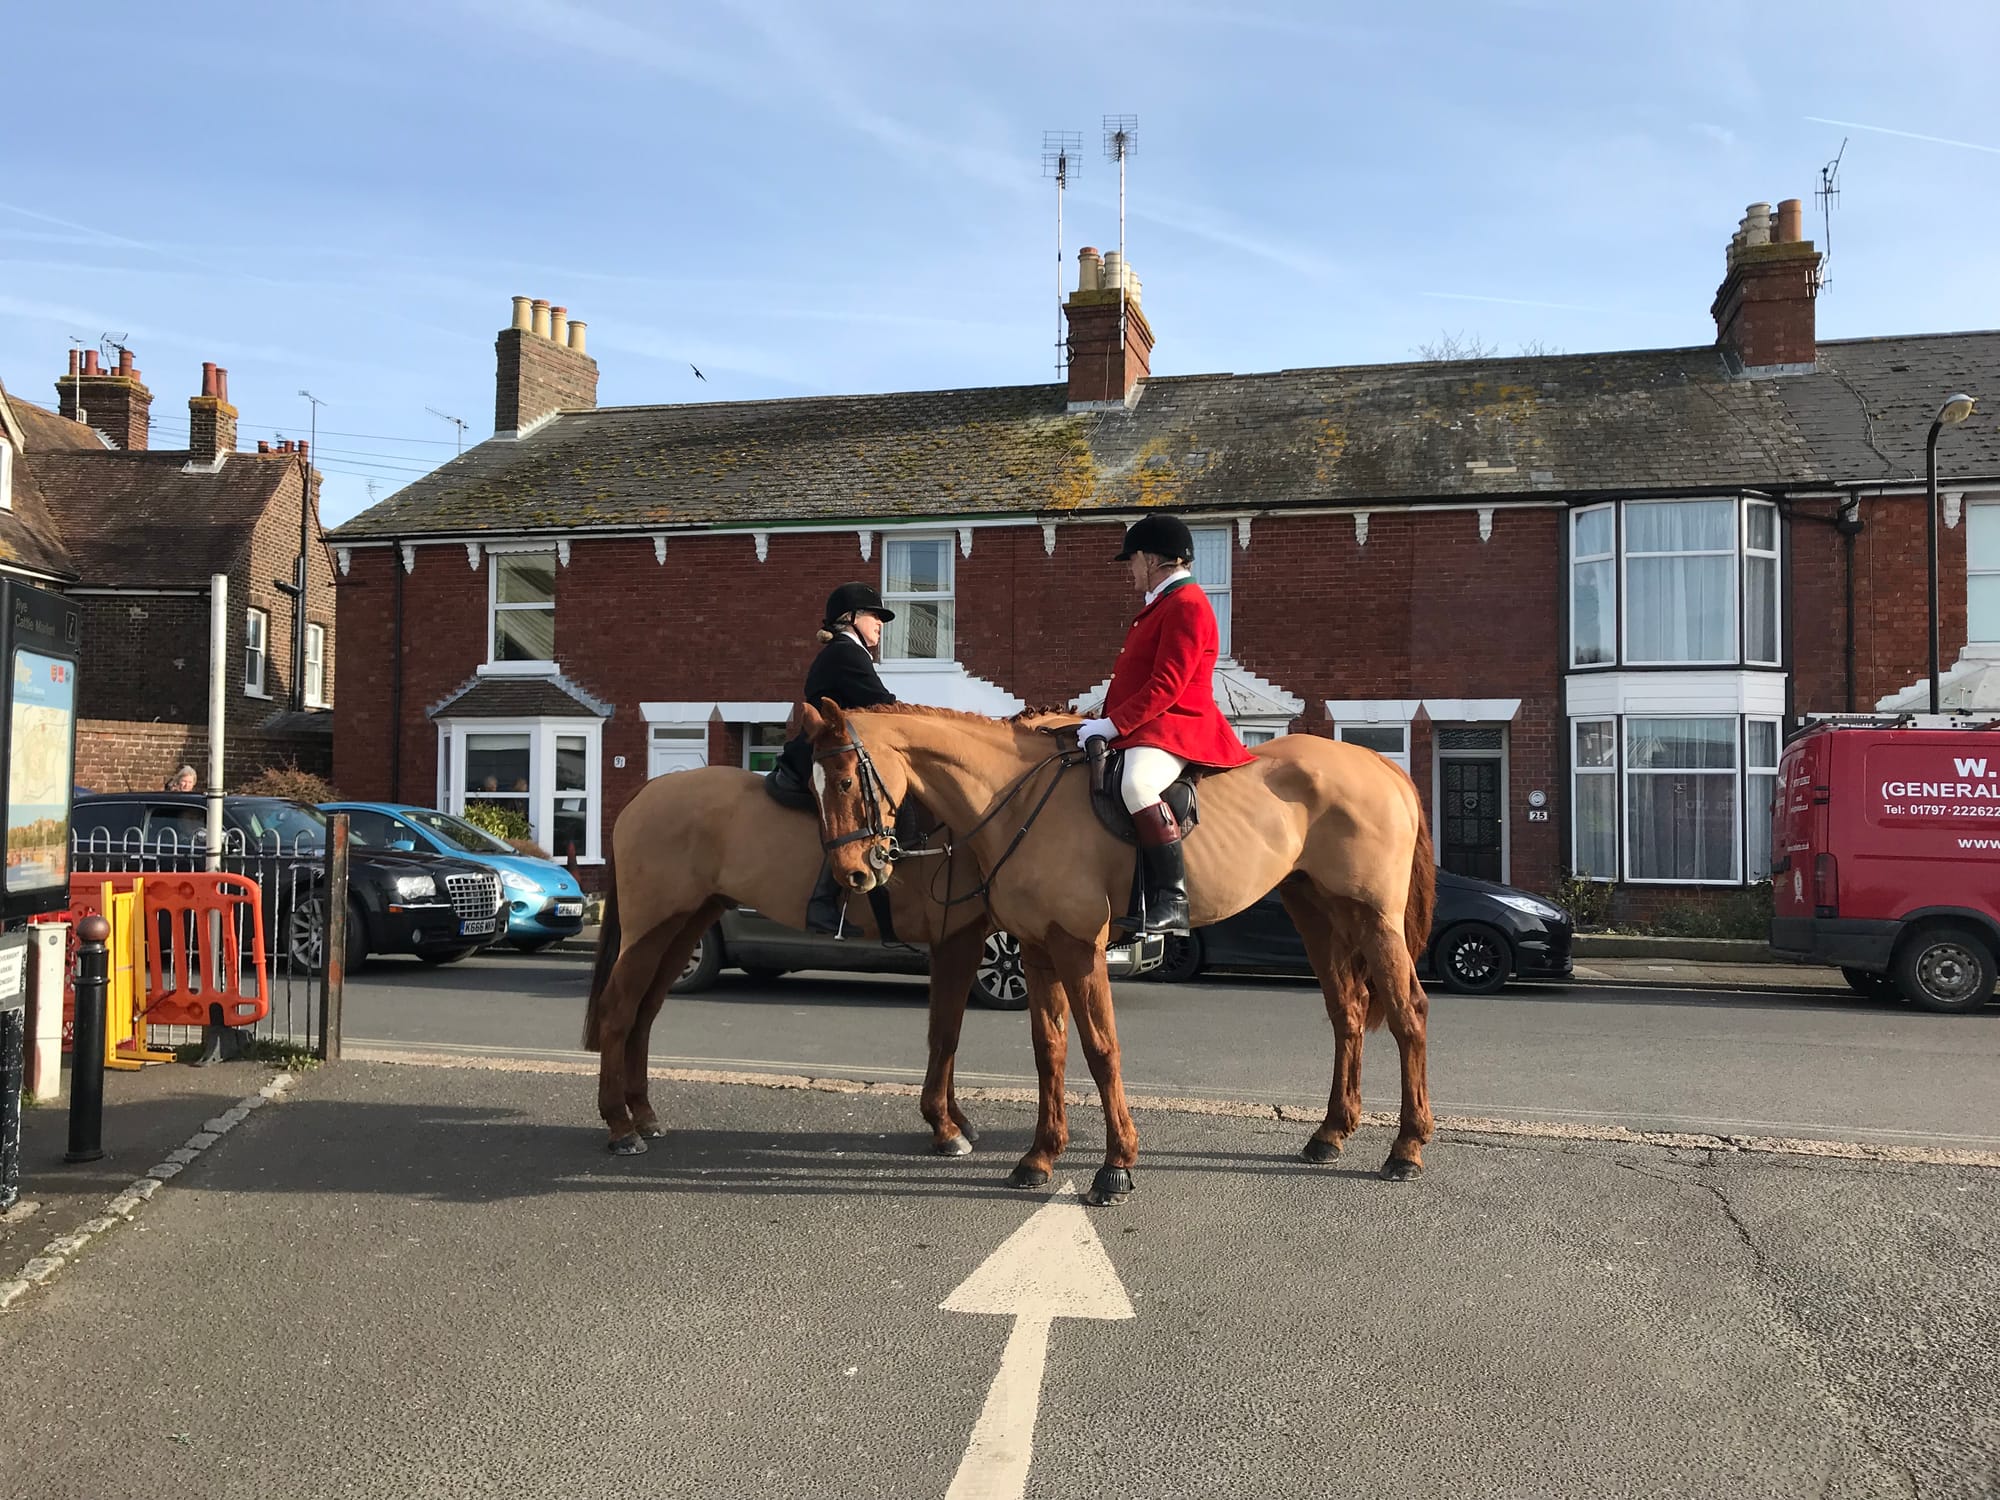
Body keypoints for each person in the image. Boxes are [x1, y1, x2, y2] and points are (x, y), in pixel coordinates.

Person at [1075, 513, 1256, 936]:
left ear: (1153, 559)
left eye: (1133, 560)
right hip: (1150, 725)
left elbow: (1168, 685)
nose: (1131, 570)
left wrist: (1113, 726)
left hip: (1179, 725)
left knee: (1136, 785)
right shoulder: (1163, 604)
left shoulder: (1187, 604)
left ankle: (1174, 899)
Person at [776, 582, 900, 934]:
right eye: (874, 615)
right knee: (851, 813)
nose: (880, 623)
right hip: (822, 758)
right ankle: (822, 902)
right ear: (850, 618)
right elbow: (883, 706)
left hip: (834, 751)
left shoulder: (849, 652)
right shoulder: (846, 653)